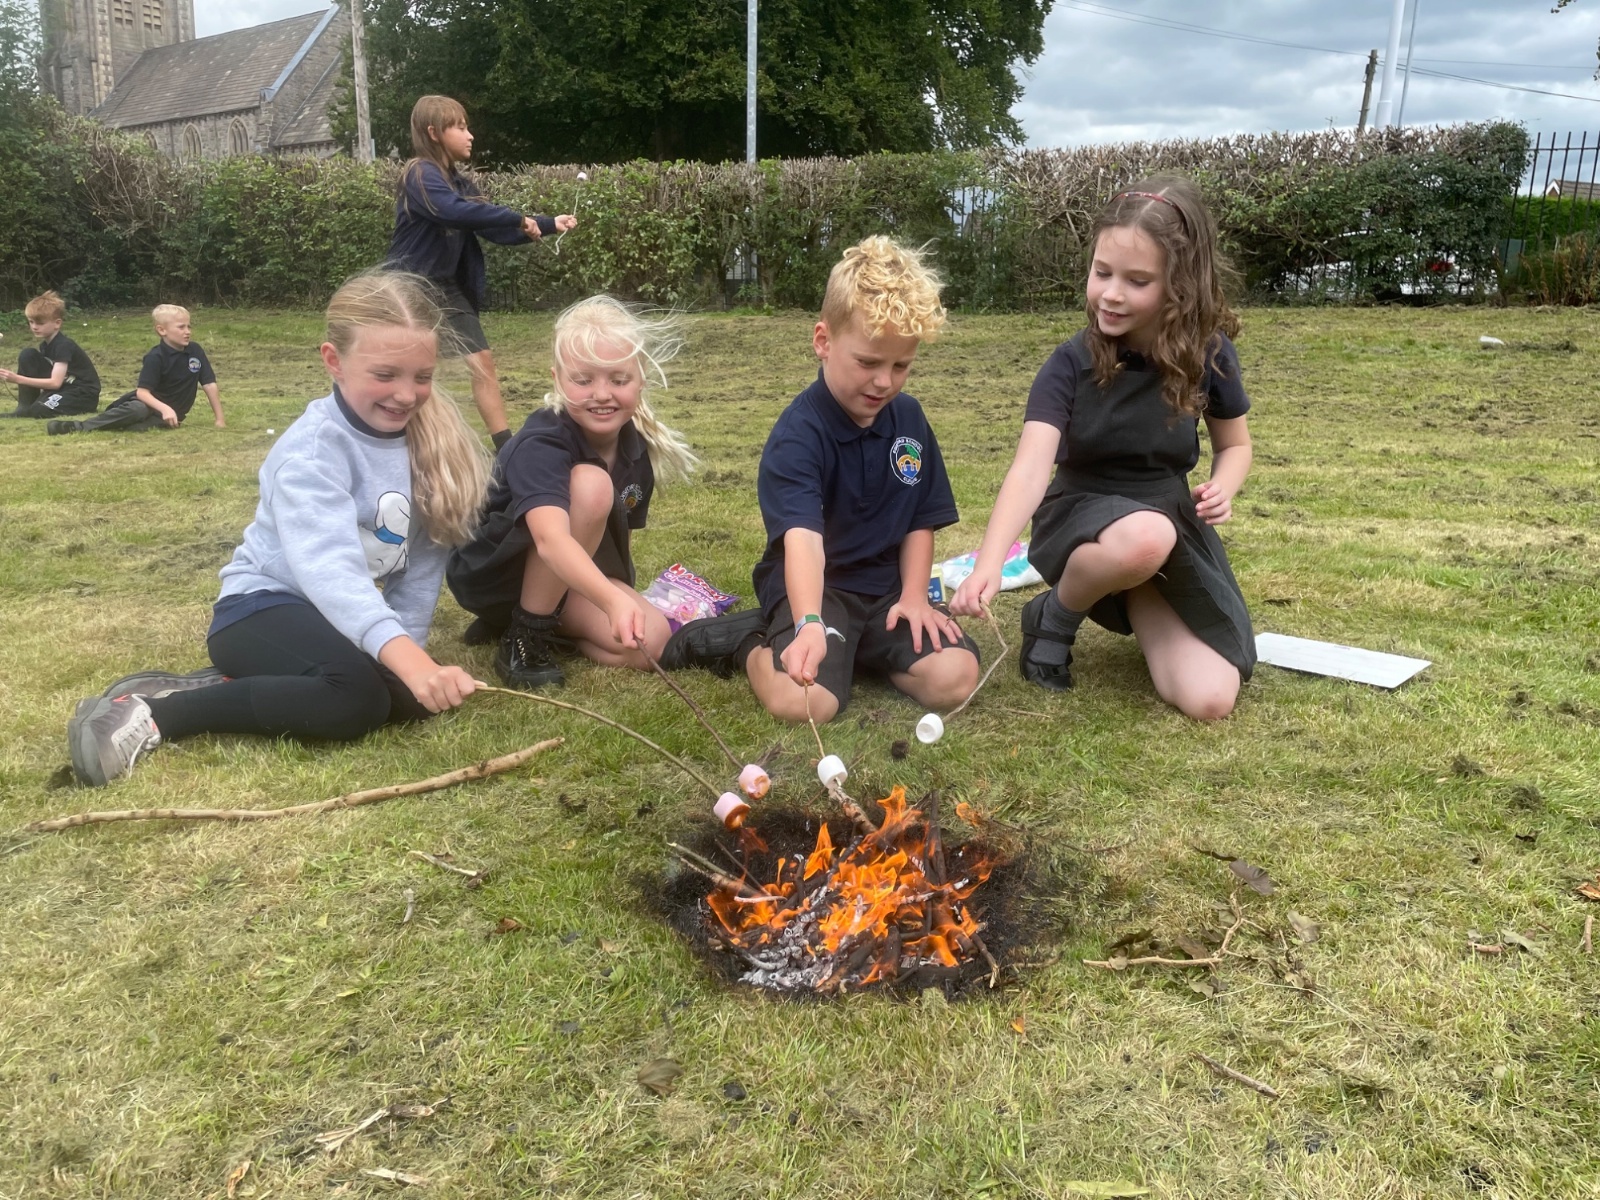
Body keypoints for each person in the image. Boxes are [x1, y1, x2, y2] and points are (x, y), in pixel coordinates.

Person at [65, 272, 490, 787]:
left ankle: (250, 681)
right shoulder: (310, 453)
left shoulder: (427, 446)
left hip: (334, 621)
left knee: (410, 701)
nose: (406, 394)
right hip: (257, 610)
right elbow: (331, 572)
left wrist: (412, 660)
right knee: (355, 702)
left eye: (422, 377)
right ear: (333, 360)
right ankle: (158, 711)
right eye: (385, 374)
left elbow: (419, 568)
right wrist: (408, 662)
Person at [950, 176, 1255, 720]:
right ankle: (1054, 619)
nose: (1111, 293)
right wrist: (989, 563)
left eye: (1137, 281)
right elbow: (1030, 470)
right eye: (1102, 272)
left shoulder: (1209, 354)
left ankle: (1135, 587)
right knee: (1146, 536)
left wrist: (1223, 486)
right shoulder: (1069, 363)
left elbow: (1235, 446)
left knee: (1210, 698)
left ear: (1181, 285)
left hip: (1166, 526)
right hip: (1080, 516)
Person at [668, 236, 980, 725]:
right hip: (818, 589)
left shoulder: (910, 420)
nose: (884, 381)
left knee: (954, 679)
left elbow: (920, 519)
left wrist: (915, 598)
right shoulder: (798, 436)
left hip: (887, 592)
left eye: (901, 366)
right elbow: (804, 542)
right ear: (823, 341)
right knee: (807, 704)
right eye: (868, 362)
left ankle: (857, 650)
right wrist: (810, 623)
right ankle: (747, 643)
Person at [446, 296, 695, 689]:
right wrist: (611, 601)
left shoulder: (635, 448)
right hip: (494, 576)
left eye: (618, 380)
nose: (602, 394)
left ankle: (522, 625)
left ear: (640, 379)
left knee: (652, 641)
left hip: (564, 575)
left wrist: (622, 597)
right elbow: (550, 540)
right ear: (558, 379)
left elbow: (619, 544)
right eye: (583, 380)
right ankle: (524, 635)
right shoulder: (542, 442)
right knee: (591, 485)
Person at [387, 94, 577, 448]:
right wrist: (516, 218)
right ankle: (395, 438)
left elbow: (489, 224)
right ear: (434, 133)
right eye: (460, 127)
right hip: (407, 290)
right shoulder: (419, 173)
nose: (470, 135)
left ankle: (506, 450)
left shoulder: (459, 184)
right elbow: (452, 211)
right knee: (407, 368)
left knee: (481, 361)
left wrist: (547, 223)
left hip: (445, 288)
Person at [47, 304, 223, 435]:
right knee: (138, 410)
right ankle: (78, 426)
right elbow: (142, 393)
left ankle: (116, 422)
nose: (187, 331)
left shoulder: (195, 351)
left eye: (189, 326)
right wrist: (165, 409)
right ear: (162, 330)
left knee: (135, 429)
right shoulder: (155, 357)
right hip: (146, 404)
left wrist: (219, 419)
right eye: (181, 327)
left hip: (167, 415)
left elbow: (209, 384)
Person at [0, 290, 101, 418]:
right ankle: (24, 408)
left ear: (57, 323)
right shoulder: (45, 346)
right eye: (31, 322)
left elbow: (55, 383)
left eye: (40, 323)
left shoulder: (63, 345)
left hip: (82, 393)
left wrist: (17, 379)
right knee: (28, 354)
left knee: (39, 410)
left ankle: (73, 406)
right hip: (64, 387)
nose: (34, 327)